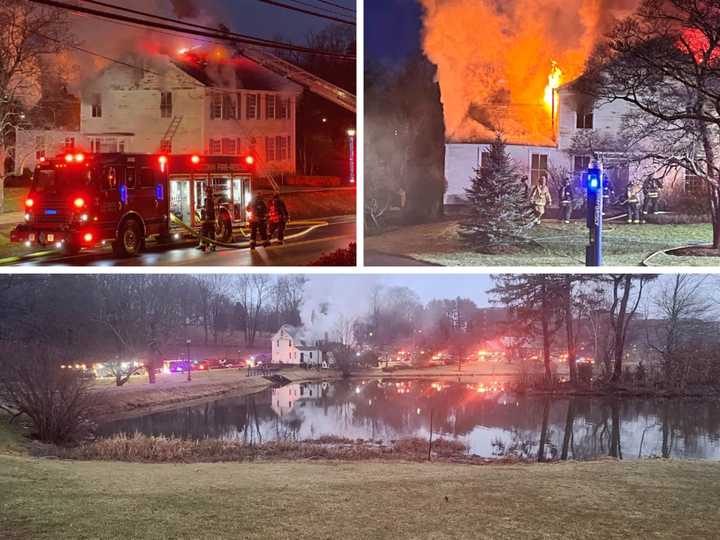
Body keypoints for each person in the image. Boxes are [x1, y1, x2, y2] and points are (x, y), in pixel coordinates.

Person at [197, 185, 216, 252]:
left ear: (208, 192)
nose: (206, 193)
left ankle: (204, 245)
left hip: (208, 220)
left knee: (204, 232)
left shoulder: (208, 199)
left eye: (206, 191)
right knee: (211, 233)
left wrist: (206, 214)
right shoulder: (211, 198)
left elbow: (208, 209)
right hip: (211, 220)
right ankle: (212, 246)